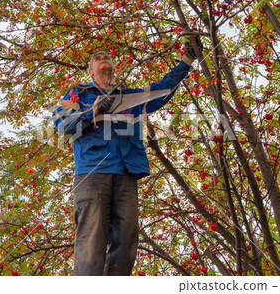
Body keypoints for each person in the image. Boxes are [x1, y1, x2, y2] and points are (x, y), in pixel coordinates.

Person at [53, 40, 199, 275]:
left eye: (107, 57)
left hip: (126, 172)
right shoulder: (78, 93)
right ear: (91, 71)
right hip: (92, 171)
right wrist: (94, 111)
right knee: (92, 239)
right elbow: (62, 124)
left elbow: (162, 90)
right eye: (98, 58)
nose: (104, 59)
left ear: (113, 68)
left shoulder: (129, 98)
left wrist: (187, 60)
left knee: (127, 238)